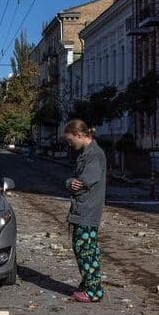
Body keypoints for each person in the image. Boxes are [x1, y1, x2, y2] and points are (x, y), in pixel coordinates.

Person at [63, 119, 107, 303]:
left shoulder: (93, 155)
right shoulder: (88, 154)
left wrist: (69, 183)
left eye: (70, 140)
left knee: (86, 249)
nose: (70, 144)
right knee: (85, 249)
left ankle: (93, 290)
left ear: (80, 135)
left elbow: (81, 183)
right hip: (84, 209)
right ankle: (89, 284)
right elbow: (76, 182)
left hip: (87, 210)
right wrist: (69, 182)